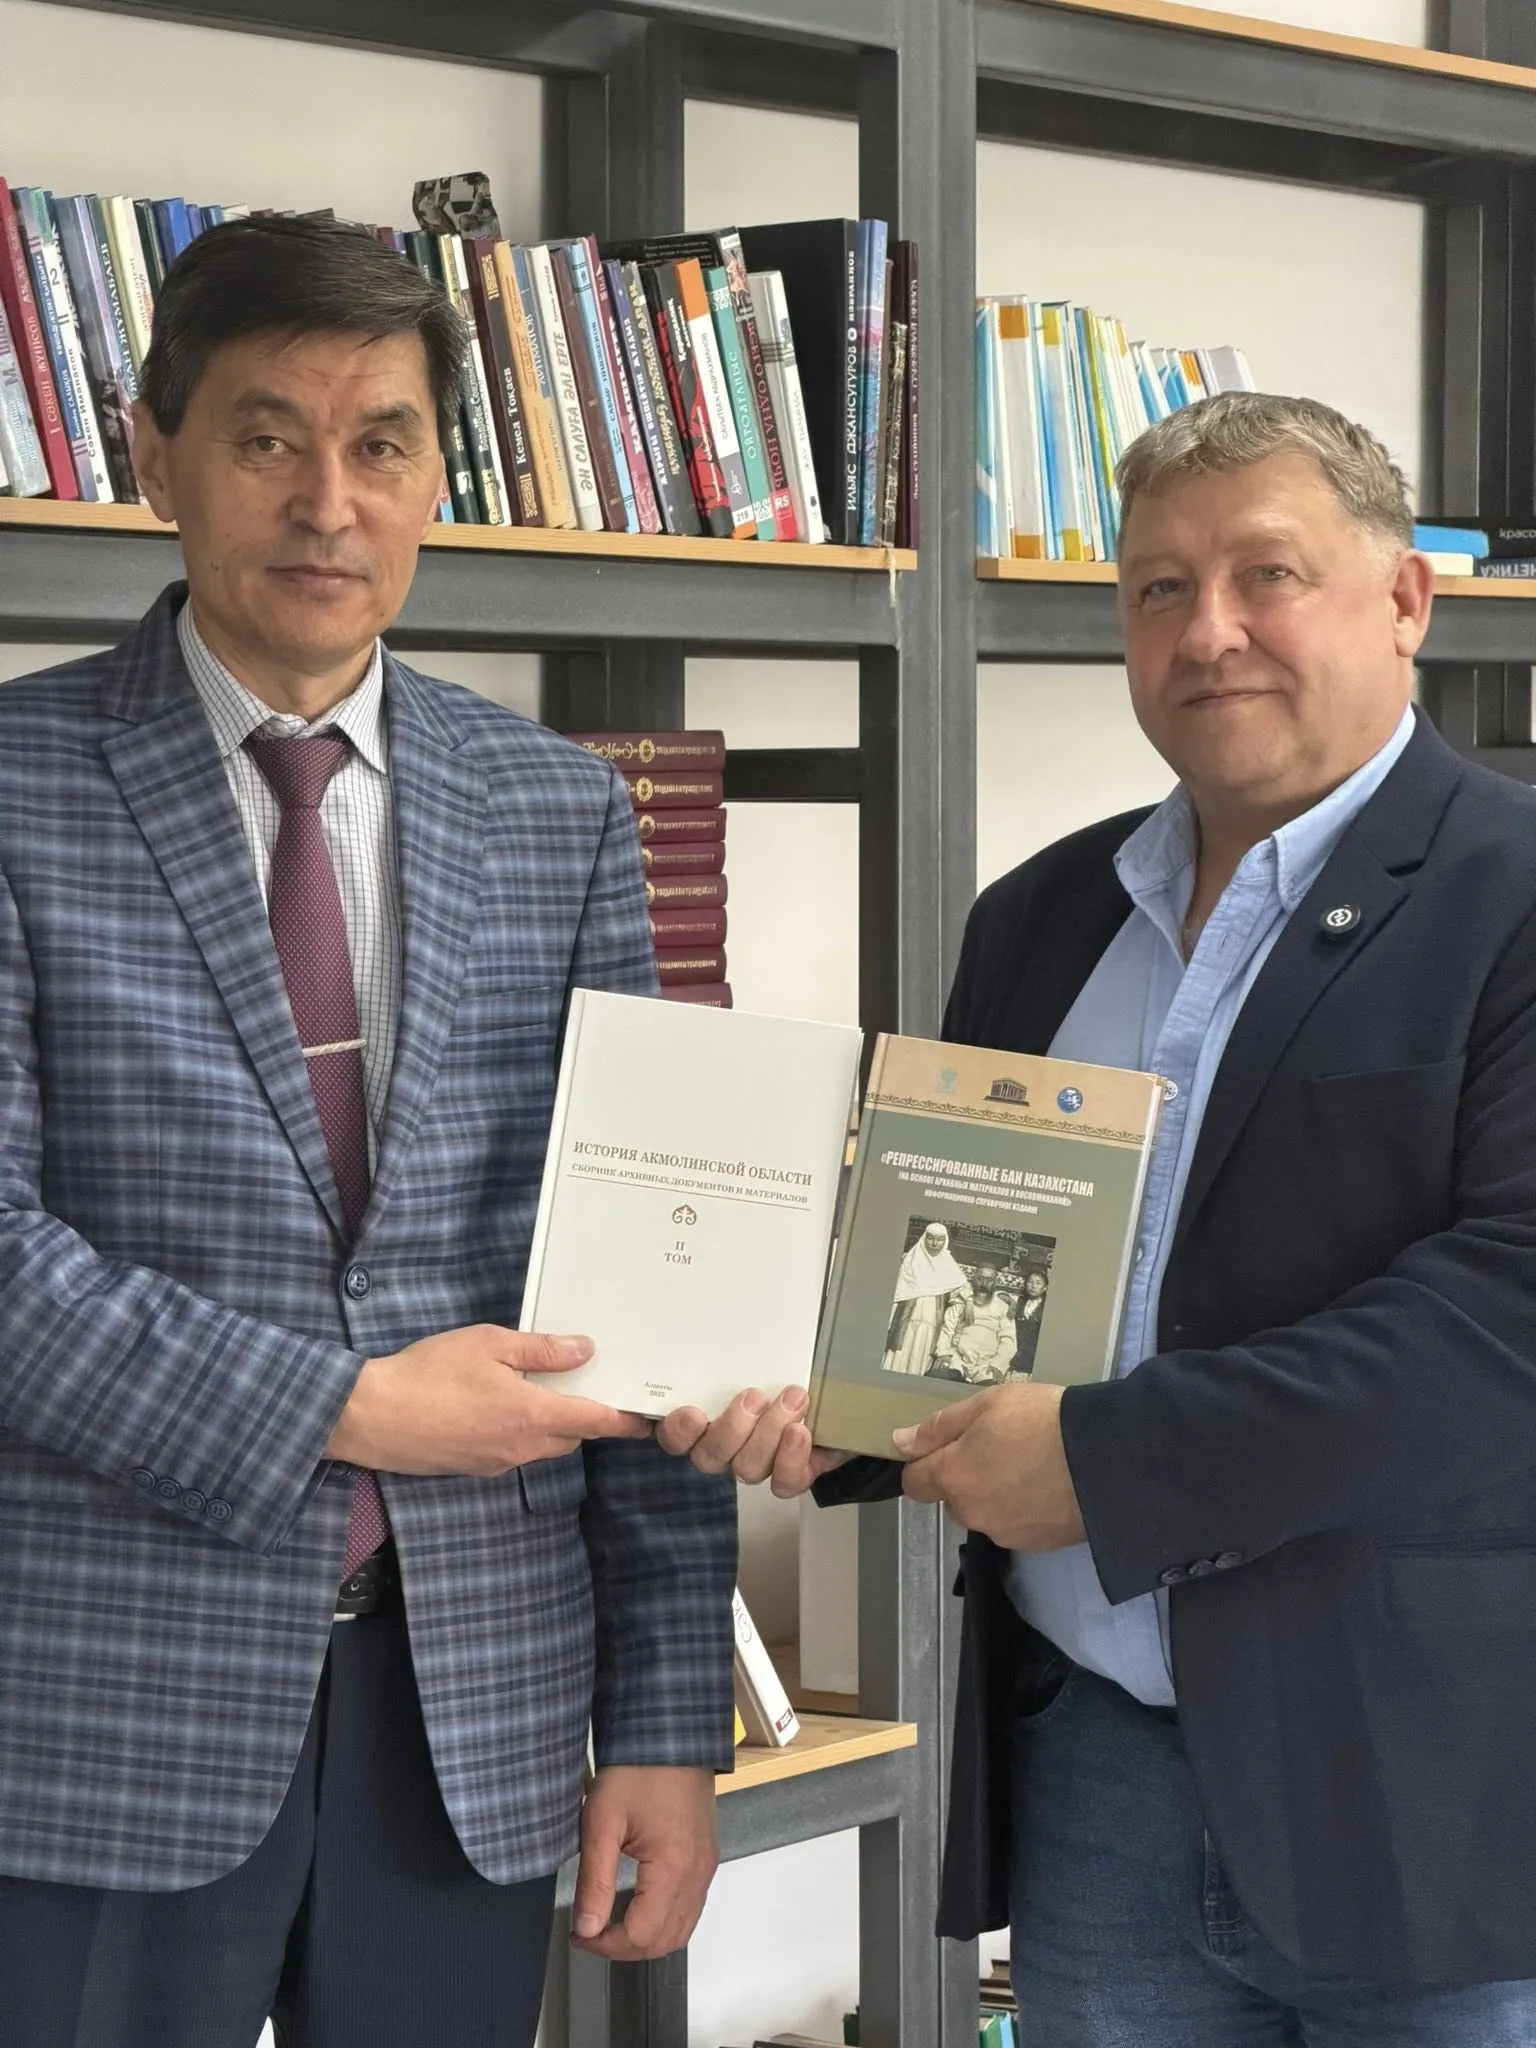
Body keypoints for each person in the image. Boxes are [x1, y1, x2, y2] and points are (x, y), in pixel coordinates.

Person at [665, 392, 1536, 2044]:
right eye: (1158, 589)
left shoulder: (1514, 892)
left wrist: (1106, 1461)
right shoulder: (1041, 915)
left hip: (1431, 1790)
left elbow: (1508, 1319)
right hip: (1100, 1784)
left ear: (1406, 600)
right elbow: (964, 1268)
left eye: (1267, 574)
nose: (1208, 631)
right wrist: (840, 1407)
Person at [0, 215, 736, 2048]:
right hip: (97, 1709)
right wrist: (346, 1406)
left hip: (470, 1713)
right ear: (156, 455)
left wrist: (664, 1718)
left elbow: (641, 1270)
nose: (327, 501)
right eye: (266, 437)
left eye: (381, 444)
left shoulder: (560, 811)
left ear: (432, 481)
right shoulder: (15, 787)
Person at [882, 1220, 968, 1375]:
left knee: (918, 1364)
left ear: (945, 1241)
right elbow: (897, 1294)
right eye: (930, 1238)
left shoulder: (949, 1265)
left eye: (939, 1239)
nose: (934, 1243)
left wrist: (969, 1302)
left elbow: (962, 1289)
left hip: (930, 1326)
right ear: (924, 1238)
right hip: (905, 1322)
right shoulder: (910, 1261)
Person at [934, 1261, 1018, 1385]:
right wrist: (944, 1354)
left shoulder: (1003, 1307)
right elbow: (947, 1329)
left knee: (991, 1390)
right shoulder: (961, 1301)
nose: (984, 1284)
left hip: (987, 1364)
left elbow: (1008, 1340)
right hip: (958, 1358)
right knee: (938, 1377)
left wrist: (998, 1364)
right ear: (974, 1279)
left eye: (989, 1280)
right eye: (980, 1278)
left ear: (995, 1282)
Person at [1010, 1267, 1048, 1378]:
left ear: (1045, 1287)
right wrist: (1011, 1303)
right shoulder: (1019, 1301)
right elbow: (1000, 1295)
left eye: (1038, 1283)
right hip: (1015, 1348)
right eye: (1030, 1282)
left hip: (1033, 1355)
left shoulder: (1046, 1307)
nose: (1033, 1286)